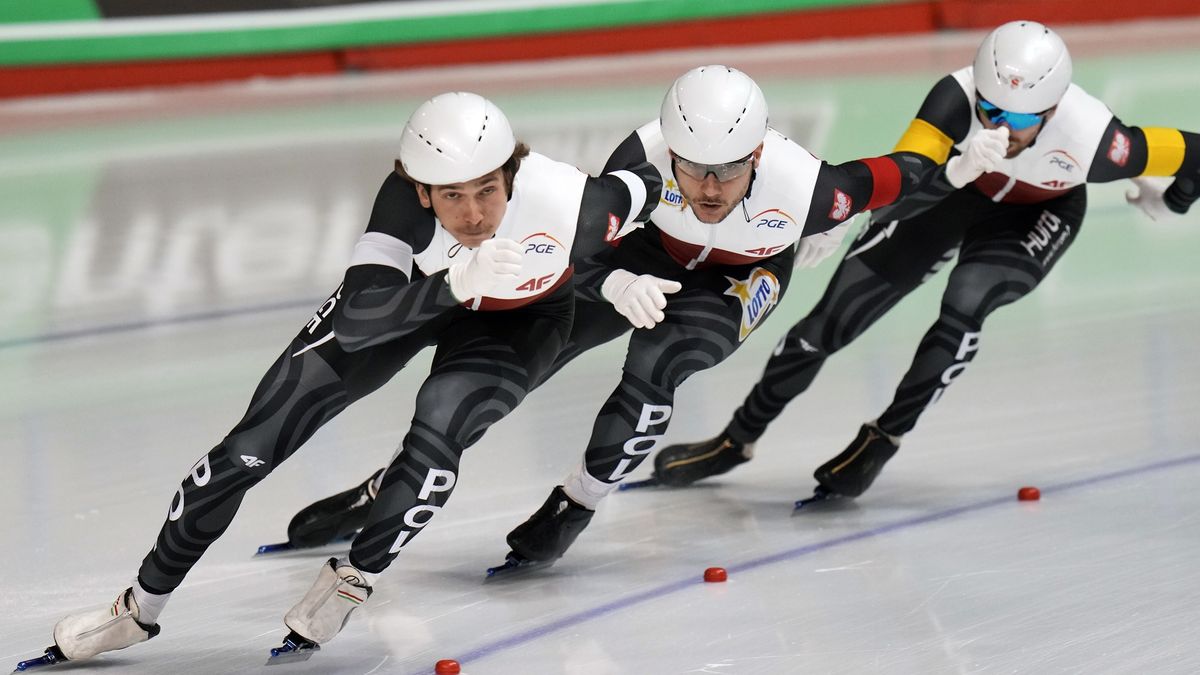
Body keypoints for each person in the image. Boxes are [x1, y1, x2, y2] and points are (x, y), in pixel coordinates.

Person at [17, 91, 663, 668]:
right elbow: (356, 322)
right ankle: (139, 606)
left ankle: (355, 576)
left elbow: (654, 182)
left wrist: (610, 275)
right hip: (413, 299)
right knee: (248, 446)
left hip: (521, 321)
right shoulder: (402, 207)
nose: (472, 213)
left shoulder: (574, 199)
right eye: (451, 196)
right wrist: (452, 283)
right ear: (420, 191)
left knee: (440, 425)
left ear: (513, 175)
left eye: (487, 190)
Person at [285, 64, 1008, 568]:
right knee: (525, 359)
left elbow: (893, 175)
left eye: (728, 169)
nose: (709, 187)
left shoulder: (808, 187)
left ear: (759, 153)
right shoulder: (641, 155)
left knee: (660, 361)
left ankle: (578, 503)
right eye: (691, 167)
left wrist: (957, 167)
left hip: (739, 275)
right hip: (645, 257)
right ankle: (393, 484)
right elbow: (581, 238)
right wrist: (613, 277)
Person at [649, 21, 1200, 503]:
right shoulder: (954, 102)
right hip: (949, 194)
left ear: (1052, 111)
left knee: (965, 303)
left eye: (1015, 116)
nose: (997, 125)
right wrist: (956, 170)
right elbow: (900, 187)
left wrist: (1175, 198)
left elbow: (1193, 152)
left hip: (1033, 215)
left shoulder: (1098, 142)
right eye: (989, 106)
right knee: (827, 324)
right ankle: (734, 440)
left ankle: (884, 437)